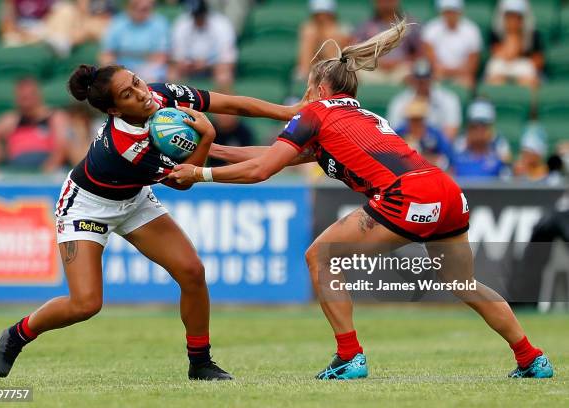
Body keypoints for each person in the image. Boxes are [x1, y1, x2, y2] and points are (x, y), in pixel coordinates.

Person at [169, 21, 554, 380]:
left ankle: (350, 356)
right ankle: (531, 357)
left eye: (308, 87)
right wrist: (212, 148)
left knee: (320, 257)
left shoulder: (315, 114)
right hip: (446, 190)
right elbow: (270, 156)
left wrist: (199, 174)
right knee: (464, 282)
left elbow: (261, 171)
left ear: (320, 89)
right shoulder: (359, 116)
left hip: (406, 195)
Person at [0, 64, 302, 380]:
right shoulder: (127, 146)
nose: (142, 94)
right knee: (86, 304)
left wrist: (290, 112)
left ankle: (200, 363)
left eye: (136, 82)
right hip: (87, 207)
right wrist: (206, 137)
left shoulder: (158, 95)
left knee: (192, 272)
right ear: (114, 109)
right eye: (129, 94)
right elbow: (183, 181)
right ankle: (17, 335)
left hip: (132, 197)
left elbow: (231, 104)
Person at [0, 77, 69, 172]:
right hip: (16, 167)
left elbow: (62, 146)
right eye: (23, 97)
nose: (26, 102)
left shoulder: (55, 116)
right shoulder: (12, 119)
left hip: (46, 165)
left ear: (38, 95)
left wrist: (48, 169)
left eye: (29, 96)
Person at [387, 59, 462, 139]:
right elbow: (392, 132)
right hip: (407, 146)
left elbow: (450, 133)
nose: (422, 83)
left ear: (432, 78)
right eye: (419, 79)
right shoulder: (400, 101)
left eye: (425, 78)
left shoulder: (448, 99)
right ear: (412, 79)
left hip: (437, 148)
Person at [170, 0, 237, 88]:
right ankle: (181, 101)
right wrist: (188, 64)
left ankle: (221, 101)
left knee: (224, 74)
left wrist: (206, 64)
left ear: (206, 13)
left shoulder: (222, 24)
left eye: (200, 16)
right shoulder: (182, 23)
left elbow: (229, 60)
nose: (198, 19)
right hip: (190, 67)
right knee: (172, 73)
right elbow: (177, 58)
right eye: (196, 16)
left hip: (214, 66)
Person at [352, 0, 421, 84]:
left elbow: (419, 52)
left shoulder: (410, 24)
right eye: (381, 1)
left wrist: (400, 61)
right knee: (355, 72)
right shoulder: (366, 26)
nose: (385, 3)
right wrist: (375, 60)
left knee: (415, 72)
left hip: (400, 69)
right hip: (374, 68)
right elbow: (356, 51)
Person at [100, 0, 170, 82]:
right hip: (121, 69)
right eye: (136, 6)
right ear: (129, 6)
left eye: (144, 8)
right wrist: (119, 72)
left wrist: (137, 72)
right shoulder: (117, 22)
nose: (139, 10)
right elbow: (106, 55)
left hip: (149, 71)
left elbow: (161, 57)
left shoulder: (160, 23)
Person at [422, 0, 482, 89]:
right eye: (447, 11)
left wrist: (454, 72)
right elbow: (431, 61)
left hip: (462, 75)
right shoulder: (431, 29)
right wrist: (442, 71)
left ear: (460, 11)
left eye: (453, 11)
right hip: (439, 74)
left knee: (469, 82)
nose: (450, 15)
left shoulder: (472, 30)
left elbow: (473, 65)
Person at [485, 0, 543, 89]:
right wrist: (512, 36)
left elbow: (538, 61)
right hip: (503, 66)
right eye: (510, 16)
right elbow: (503, 54)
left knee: (529, 71)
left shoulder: (533, 34)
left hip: (523, 69)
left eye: (517, 17)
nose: (513, 20)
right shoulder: (495, 33)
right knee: (494, 69)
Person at [452, 99, 512, 179]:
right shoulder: (458, 146)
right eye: (475, 126)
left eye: (483, 126)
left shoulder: (500, 146)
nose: (479, 131)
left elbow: (507, 178)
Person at [296, 0, 350, 80]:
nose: (322, 19)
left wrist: (330, 40)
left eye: (325, 15)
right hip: (310, 74)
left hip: (336, 75)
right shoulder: (308, 31)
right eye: (318, 16)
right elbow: (304, 68)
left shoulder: (343, 30)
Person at [394, 98, 453, 170]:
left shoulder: (434, 134)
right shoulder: (399, 134)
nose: (416, 123)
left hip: (430, 173)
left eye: (419, 119)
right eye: (413, 119)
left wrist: (424, 158)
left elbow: (446, 159)